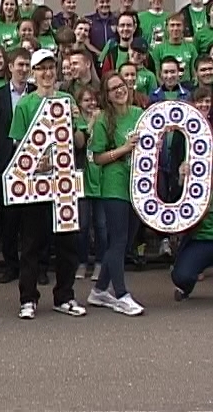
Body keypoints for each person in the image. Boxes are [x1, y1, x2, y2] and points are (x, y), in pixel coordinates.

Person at [9, 49, 86, 319]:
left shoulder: (67, 100)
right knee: (32, 242)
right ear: (33, 73)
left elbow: (80, 142)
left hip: (64, 183)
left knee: (67, 242)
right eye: (41, 68)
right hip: (35, 183)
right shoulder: (25, 104)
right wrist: (34, 160)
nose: (47, 73)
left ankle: (64, 296)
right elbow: (17, 142)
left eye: (51, 67)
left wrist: (74, 123)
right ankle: (28, 298)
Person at [87, 72, 145, 316]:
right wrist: (124, 149)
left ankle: (99, 290)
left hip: (138, 185)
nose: (119, 90)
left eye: (121, 85)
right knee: (118, 240)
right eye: (113, 89)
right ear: (107, 96)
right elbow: (97, 157)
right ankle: (121, 294)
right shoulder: (103, 120)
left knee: (127, 240)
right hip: (114, 185)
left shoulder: (139, 113)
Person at [0, 48, 34, 283]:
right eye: (20, 65)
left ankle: (34, 267)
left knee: (32, 221)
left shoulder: (36, 93)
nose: (23, 69)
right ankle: (11, 266)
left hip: (34, 163)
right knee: (9, 220)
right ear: (10, 67)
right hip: (7, 162)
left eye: (27, 65)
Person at [170, 86, 213, 300]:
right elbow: (175, 186)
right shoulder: (182, 135)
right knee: (182, 276)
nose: (204, 105)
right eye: (200, 101)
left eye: (208, 101)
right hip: (201, 235)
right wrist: (181, 175)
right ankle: (187, 282)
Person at [73, 85, 106, 281]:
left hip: (100, 176)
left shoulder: (105, 118)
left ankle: (100, 263)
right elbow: (80, 144)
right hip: (82, 176)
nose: (91, 103)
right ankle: (82, 262)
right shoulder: (76, 121)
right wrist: (91, 123)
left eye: (93, 99)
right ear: (79, 103)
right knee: (83, 225)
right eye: (86, 100)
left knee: (101, 225)